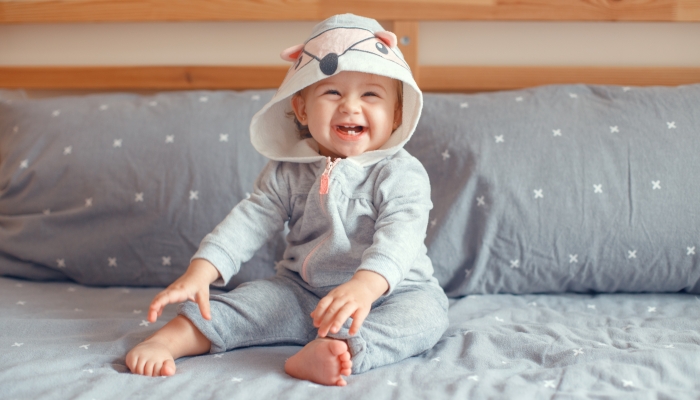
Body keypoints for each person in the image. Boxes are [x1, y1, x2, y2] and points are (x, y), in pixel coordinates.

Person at [126, 13, 449, 387]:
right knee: (244, 304)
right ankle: (168, 341)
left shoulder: (401, 173)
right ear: (301, 109)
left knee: (426, 318)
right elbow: (251, 218)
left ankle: (344, 349)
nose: (350, 106)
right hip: (301, 292)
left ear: (396, 114)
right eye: (332, 92)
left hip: (392, 293)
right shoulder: (288, 171)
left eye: (370, 94)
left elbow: (402, 234)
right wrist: (203, 270)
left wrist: (365, 286)